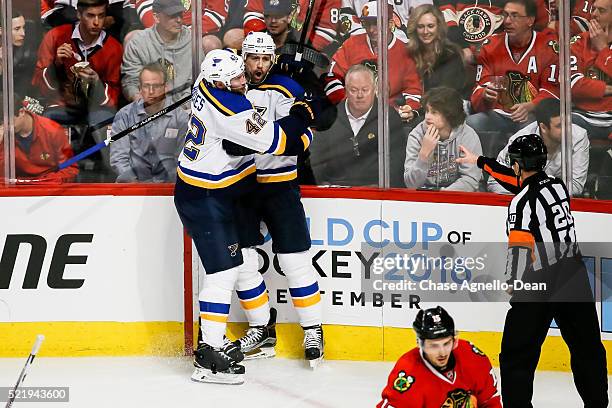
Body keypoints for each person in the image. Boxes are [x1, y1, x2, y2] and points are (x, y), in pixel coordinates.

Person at [174, 48, 318, 384]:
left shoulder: (204, 83)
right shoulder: (233, 109)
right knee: (224, 273)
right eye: (237, 78)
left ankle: (215, 338)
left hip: (217, 191)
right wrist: (301, 112)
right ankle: (208, 353)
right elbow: (282, 141)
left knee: (234, 268)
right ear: (222, 83)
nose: (244, 82)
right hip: (204, 197)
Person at [457, 135, 608, 407]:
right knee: (588, 349)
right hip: (573, 274)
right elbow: (520, 181)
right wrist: (480, 162)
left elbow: (520, 245)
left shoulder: (521, 202)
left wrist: (513, 280)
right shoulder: (558, 186)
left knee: (517, 354)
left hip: (540, 281)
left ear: (517, 165)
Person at [221, 32, 324, 367]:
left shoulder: (285, 89)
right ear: (243, 56)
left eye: (266, 59)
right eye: (254, 58)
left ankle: (312, 329)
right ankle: (261, 327)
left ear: (273, 58)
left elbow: (306, 133)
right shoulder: (231, 89)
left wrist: (282, 140)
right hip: (244, 186)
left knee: (295, 261)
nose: (260, 65)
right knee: (243, 261)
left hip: (280, 185)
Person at [33, 0, 122, 172]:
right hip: (62, 105)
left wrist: (96, 83)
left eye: (101, 16)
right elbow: (39, 86)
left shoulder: (114, 48)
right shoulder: (55, 36)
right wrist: (56, 65)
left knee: (106, 123)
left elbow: (114, 97)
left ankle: (107, 174)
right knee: (47, 119)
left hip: (97, 108)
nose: (97, 22)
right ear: (78, 15)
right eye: (90, 16)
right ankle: (50, 173)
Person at [466, 0, 558, 156]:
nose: (507, 21)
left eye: (515, 16)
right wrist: (485, 95)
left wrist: (531, 106)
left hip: (531, 115)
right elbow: (479, 88)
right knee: (471, 124)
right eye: (506, 15)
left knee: (532, 130)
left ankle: (525, 176)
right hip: (497, 113)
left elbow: (553, 91)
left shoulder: (548, 46)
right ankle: (478, 174)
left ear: (530, 20)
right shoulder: (491, 45)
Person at [377, 306, 502, 408]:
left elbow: (490, 402)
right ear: (419, 344)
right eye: (434, 346)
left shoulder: (472, 357)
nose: (442, 352)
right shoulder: (409, 373)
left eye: (446, 343)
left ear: (455, 341)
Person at [325, 1, 423, 122]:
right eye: (367, 23)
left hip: (388, 118)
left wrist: (410, 109)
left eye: (376, 23)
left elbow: (413, 89)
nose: (371, 29)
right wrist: (345, 104)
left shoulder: (406, 52)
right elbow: (332, 77)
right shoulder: (351, 44)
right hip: (350, 115)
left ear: (390, 24)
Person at [311, 64, 406, 187]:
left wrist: (382, 189)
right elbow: (316, 157)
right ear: (345, 90)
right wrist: (318, 186)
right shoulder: (329, 116)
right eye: (354, 90)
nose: (360, 95)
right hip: (335, 189)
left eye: (365, 90)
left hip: (375, 190)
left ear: (374, 89)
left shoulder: (389, 117)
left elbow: (397, 161)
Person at [487, 98, 589, 196]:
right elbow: (494, 182)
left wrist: (536, 189)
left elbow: (575, 186)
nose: (567, 130)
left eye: (568, 123)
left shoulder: (579, 136)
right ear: (543, 127)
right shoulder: (521, 140)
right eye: (559, 126)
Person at [110, 62, 188, 182]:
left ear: (166, 87)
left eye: (156, 86)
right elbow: (119, 159)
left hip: (169, 187)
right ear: (140, 89)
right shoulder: (124, 116)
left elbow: (183, 159)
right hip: (132, 186)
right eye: (146, 86)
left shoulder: (180, 117)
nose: (151, 91)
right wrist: (136, 185)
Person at [404, 87, 482, 191]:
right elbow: (411, 185)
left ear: (449, 114)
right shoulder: (416, 136)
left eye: (434, 112)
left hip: (457, 199)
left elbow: (470, 180)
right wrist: (423, 155)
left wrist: (442, 196)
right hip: (425, 197)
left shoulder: (467, 136)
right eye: (427, 111)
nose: (427, 117)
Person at [121, 0, 192, 103]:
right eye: (172, 16)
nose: (179, 20)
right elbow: (130, 82)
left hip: (187, 107)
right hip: (151, 108)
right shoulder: (139, 43)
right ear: (156, 17)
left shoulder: (191, 38)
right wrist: (140, 101)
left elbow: (200, 78)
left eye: (180, 15)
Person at [0, 94, 78, 183]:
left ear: (21, 112)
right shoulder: (3, 135)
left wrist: (47, 182)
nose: (5, 127)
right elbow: (2, 178)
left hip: (49, 187)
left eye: (8, 122)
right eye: (1, 124)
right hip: (17, 189)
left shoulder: (53, 131)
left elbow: (70, 169)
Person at [568, 0, 612, 140]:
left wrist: (603, 49)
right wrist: (608, 89)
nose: (593, 14)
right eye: (593, 9)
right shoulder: (578, 42)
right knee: (558, 125)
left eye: (602, 11)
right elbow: (573, 85)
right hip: (581, 116)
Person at [406, 5, 469, 97]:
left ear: (439, 27)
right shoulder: (409, 53)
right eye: (420, 26)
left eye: (430, 26)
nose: (425, 31)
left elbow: (446, 95)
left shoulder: (451, 54)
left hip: (444, 107)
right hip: (413, 106)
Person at [243, 0, 340, 52]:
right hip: (270, 39)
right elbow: (253, 14)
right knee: (235, 37)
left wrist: (300, 50)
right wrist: (264, 43)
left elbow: (326, 32)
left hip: (303, 45)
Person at [0, 11, 37, 96]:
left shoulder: (27, 53)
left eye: (23, 28)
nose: (23, 33)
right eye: (17, 29)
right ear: (1, 31)